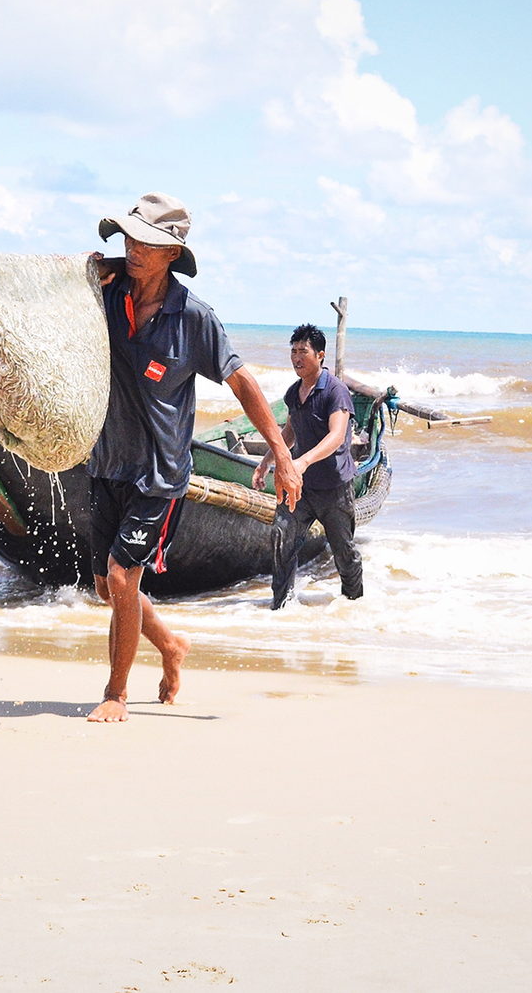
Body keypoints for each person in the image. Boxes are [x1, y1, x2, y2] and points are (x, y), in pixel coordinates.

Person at [87, 193, 303, 722]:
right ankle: (169, 645)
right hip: (105, 461)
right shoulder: (109, 292)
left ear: (173, 253)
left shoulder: (194, 318)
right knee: (104, 586)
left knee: (121, 578)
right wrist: (99, 267)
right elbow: (60, 285)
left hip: (158, 474)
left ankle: (115, 694)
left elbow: (242, 381)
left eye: (148, 243)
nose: (134, 249)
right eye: (130, 239)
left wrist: (282, 452)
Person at [253, 323, 365, 609]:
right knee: (281, 540)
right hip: (299, 488)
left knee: (344, 552)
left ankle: (354, 607)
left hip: (334, 488)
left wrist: (302, 460)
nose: (296, 358)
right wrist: (268, 460)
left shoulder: (335, 391)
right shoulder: (294, 393)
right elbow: (289, 433)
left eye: (303, 351)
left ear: (321, 355)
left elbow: (337, 435)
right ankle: (280, 606)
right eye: (293, 351)